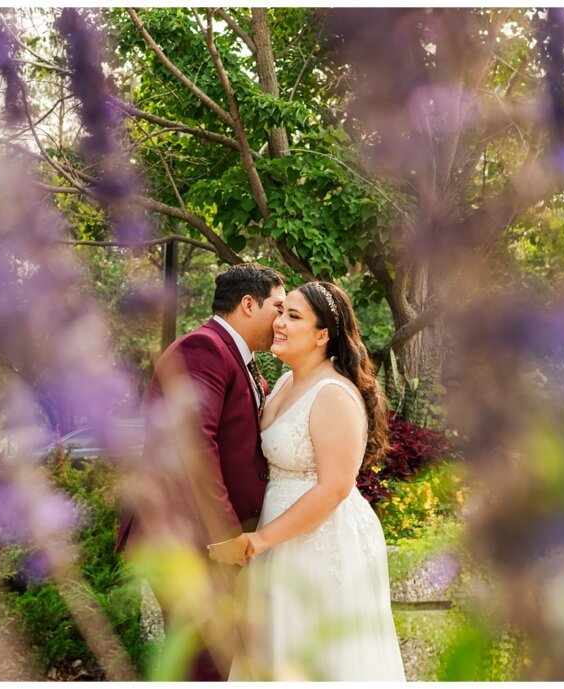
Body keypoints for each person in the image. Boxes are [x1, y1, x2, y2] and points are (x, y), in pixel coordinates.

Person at [209, 281, 406, 681]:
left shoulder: (334, 393)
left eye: (293, 316)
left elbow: (334, 488)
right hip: (276, 538)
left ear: (323, 336)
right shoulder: (284, 383)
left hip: (319, 543)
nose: (279, 322)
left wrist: (258, 541)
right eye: (281, 312)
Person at [116, 263, 286, 681]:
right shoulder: (204, 349)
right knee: (204, 664)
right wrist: (227, 537)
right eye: (278, 307)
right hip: (192, 539)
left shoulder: (234, 356)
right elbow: (193, 448)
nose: (282, 320)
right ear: (249, 304)